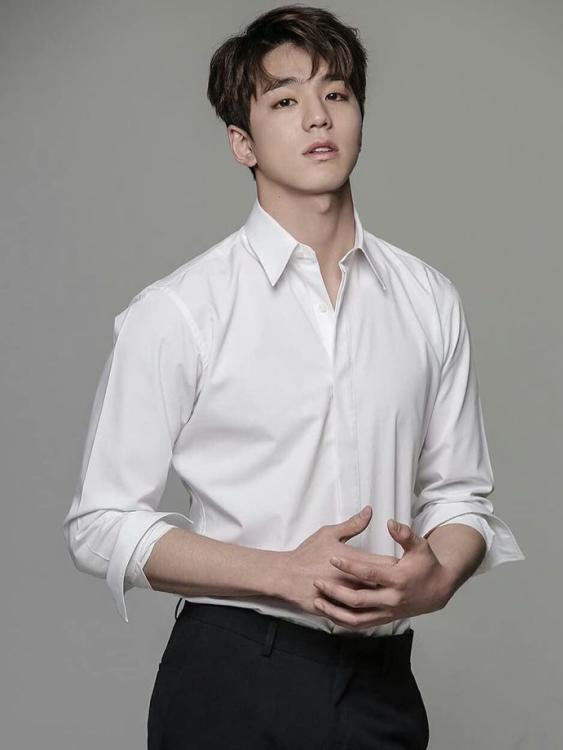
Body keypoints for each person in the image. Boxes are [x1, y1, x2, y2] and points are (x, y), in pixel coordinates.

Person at [62, 5, 525, 748]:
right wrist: (280, 573)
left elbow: (461, 494)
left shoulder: (428, 298)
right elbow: (100, 524)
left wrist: (439, 574)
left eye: (336, 93)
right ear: (241, 142)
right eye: (284, 100)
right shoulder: (180, 311)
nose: (318, 116)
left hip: (381, 685)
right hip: (233, 675)